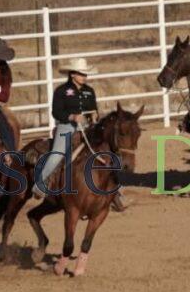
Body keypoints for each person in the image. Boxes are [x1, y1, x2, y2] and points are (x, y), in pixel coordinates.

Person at [33, 58, 131, 211]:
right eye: (81, 73)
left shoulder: (89, 91)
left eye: (85, 73)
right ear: (72, 74)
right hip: (66, 127)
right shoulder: (61, 91)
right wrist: (72, 116)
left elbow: (93, 109)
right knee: (57, 154)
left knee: (107, 153)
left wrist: (94, 115)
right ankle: (41, 183)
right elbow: (56, 112)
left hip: (88, 128)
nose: (84, 76)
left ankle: (115, 191)